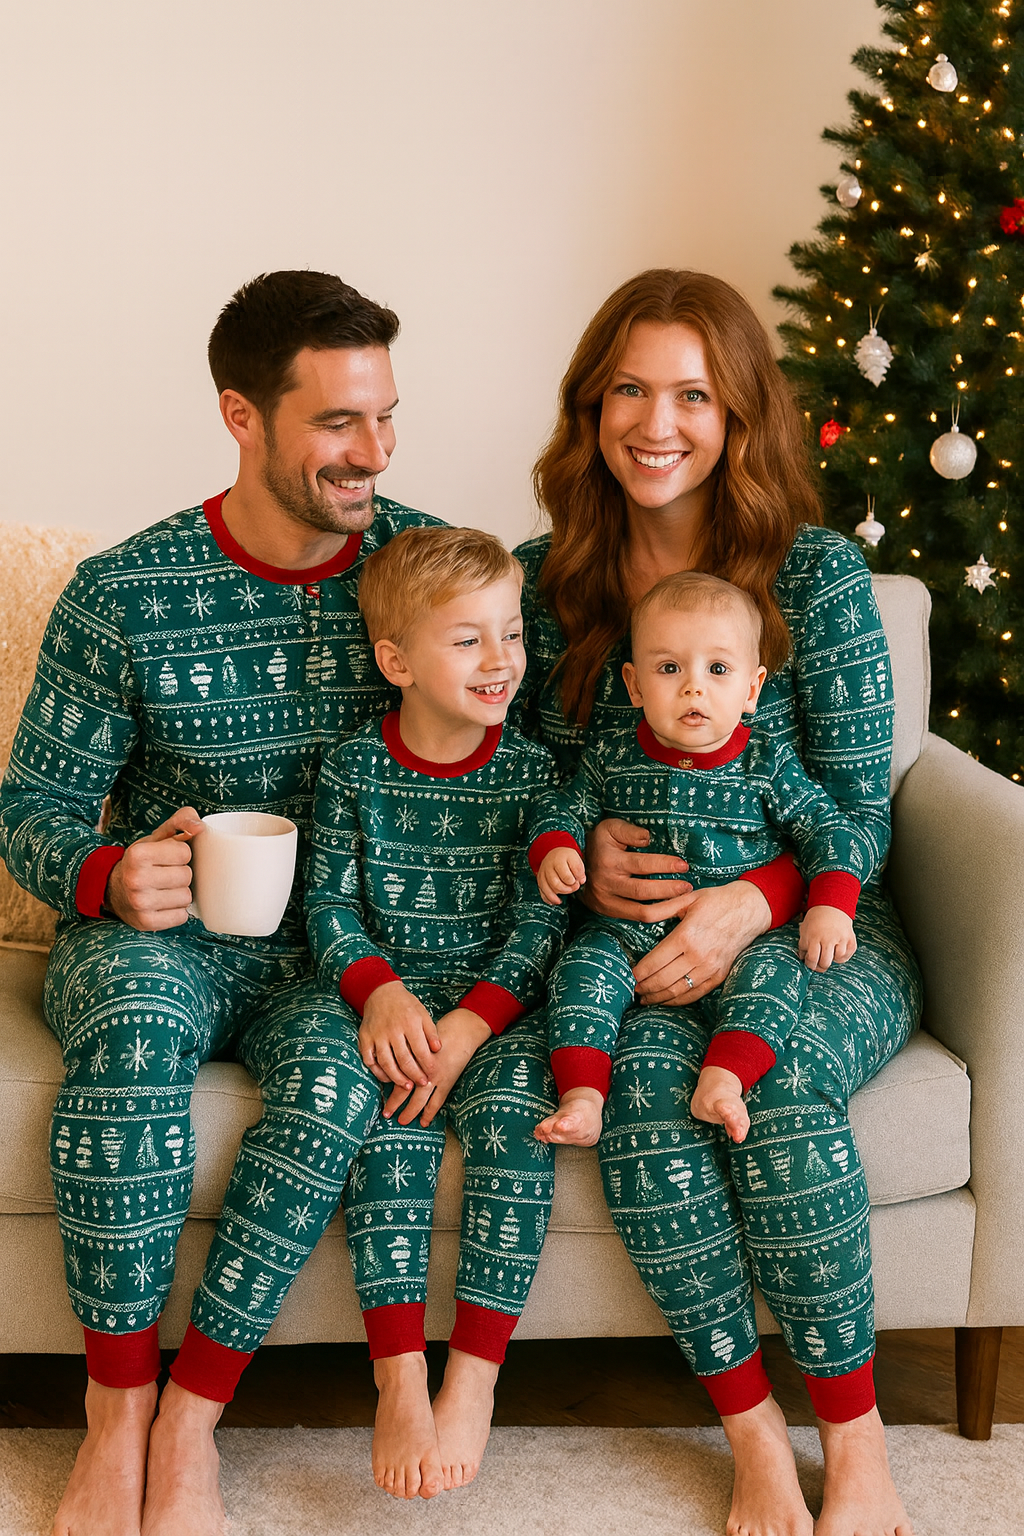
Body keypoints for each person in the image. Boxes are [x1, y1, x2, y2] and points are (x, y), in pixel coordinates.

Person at [0, 270, 444, 1536]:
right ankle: (114, 1422)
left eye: (386, 415)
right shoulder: (126, 591)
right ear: (241, 416)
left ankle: (193, 1422)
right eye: (337, 423)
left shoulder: (420, 574)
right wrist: (106, 871)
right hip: (159, 945)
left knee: (343, 1082)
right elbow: (28, 804)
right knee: (135, 1032)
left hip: (335, 958)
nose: (374, 451)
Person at [514, 269, 919, 1536]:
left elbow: (860, 810)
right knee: (640, 1109)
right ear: (589, 409)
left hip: (817, 931)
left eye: (693, 393)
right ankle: (749, 1435)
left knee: (780, 1082)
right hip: (626, 945)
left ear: (740, 418)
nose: (657, 421)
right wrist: (583, 859)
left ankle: (853, 1447)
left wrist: (756, 896)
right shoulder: (547, 580)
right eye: (628, 389)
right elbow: (527, 777)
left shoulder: (815, 582)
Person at [305, 525, 567, 1500]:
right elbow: (327, 905)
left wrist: (473, 1023)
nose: (501, 660)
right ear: (395, 660)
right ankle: (400, 1375)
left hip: (496, 1017)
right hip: (396, 1012)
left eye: (510, 633)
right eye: (469, 640)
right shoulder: (352, 770)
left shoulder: (536, 777)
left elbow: (539, 928)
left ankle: (475, 1378)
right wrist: (379, 992)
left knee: (512, 1131)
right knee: (391, 1134)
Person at [531, 569, 864, 1150]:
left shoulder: (766, 761)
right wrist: (560, 845)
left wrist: (832, 907)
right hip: (623, 931)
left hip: (740, 940)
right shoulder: (612, 754)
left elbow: (828, 829)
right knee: (580, 975)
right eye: (669, 669)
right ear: (633, 685)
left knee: (777, 978)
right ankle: (582, 1097)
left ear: (752, 687)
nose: (693, 689)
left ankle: (724, 1080)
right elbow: (564, 807)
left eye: (717, 670)